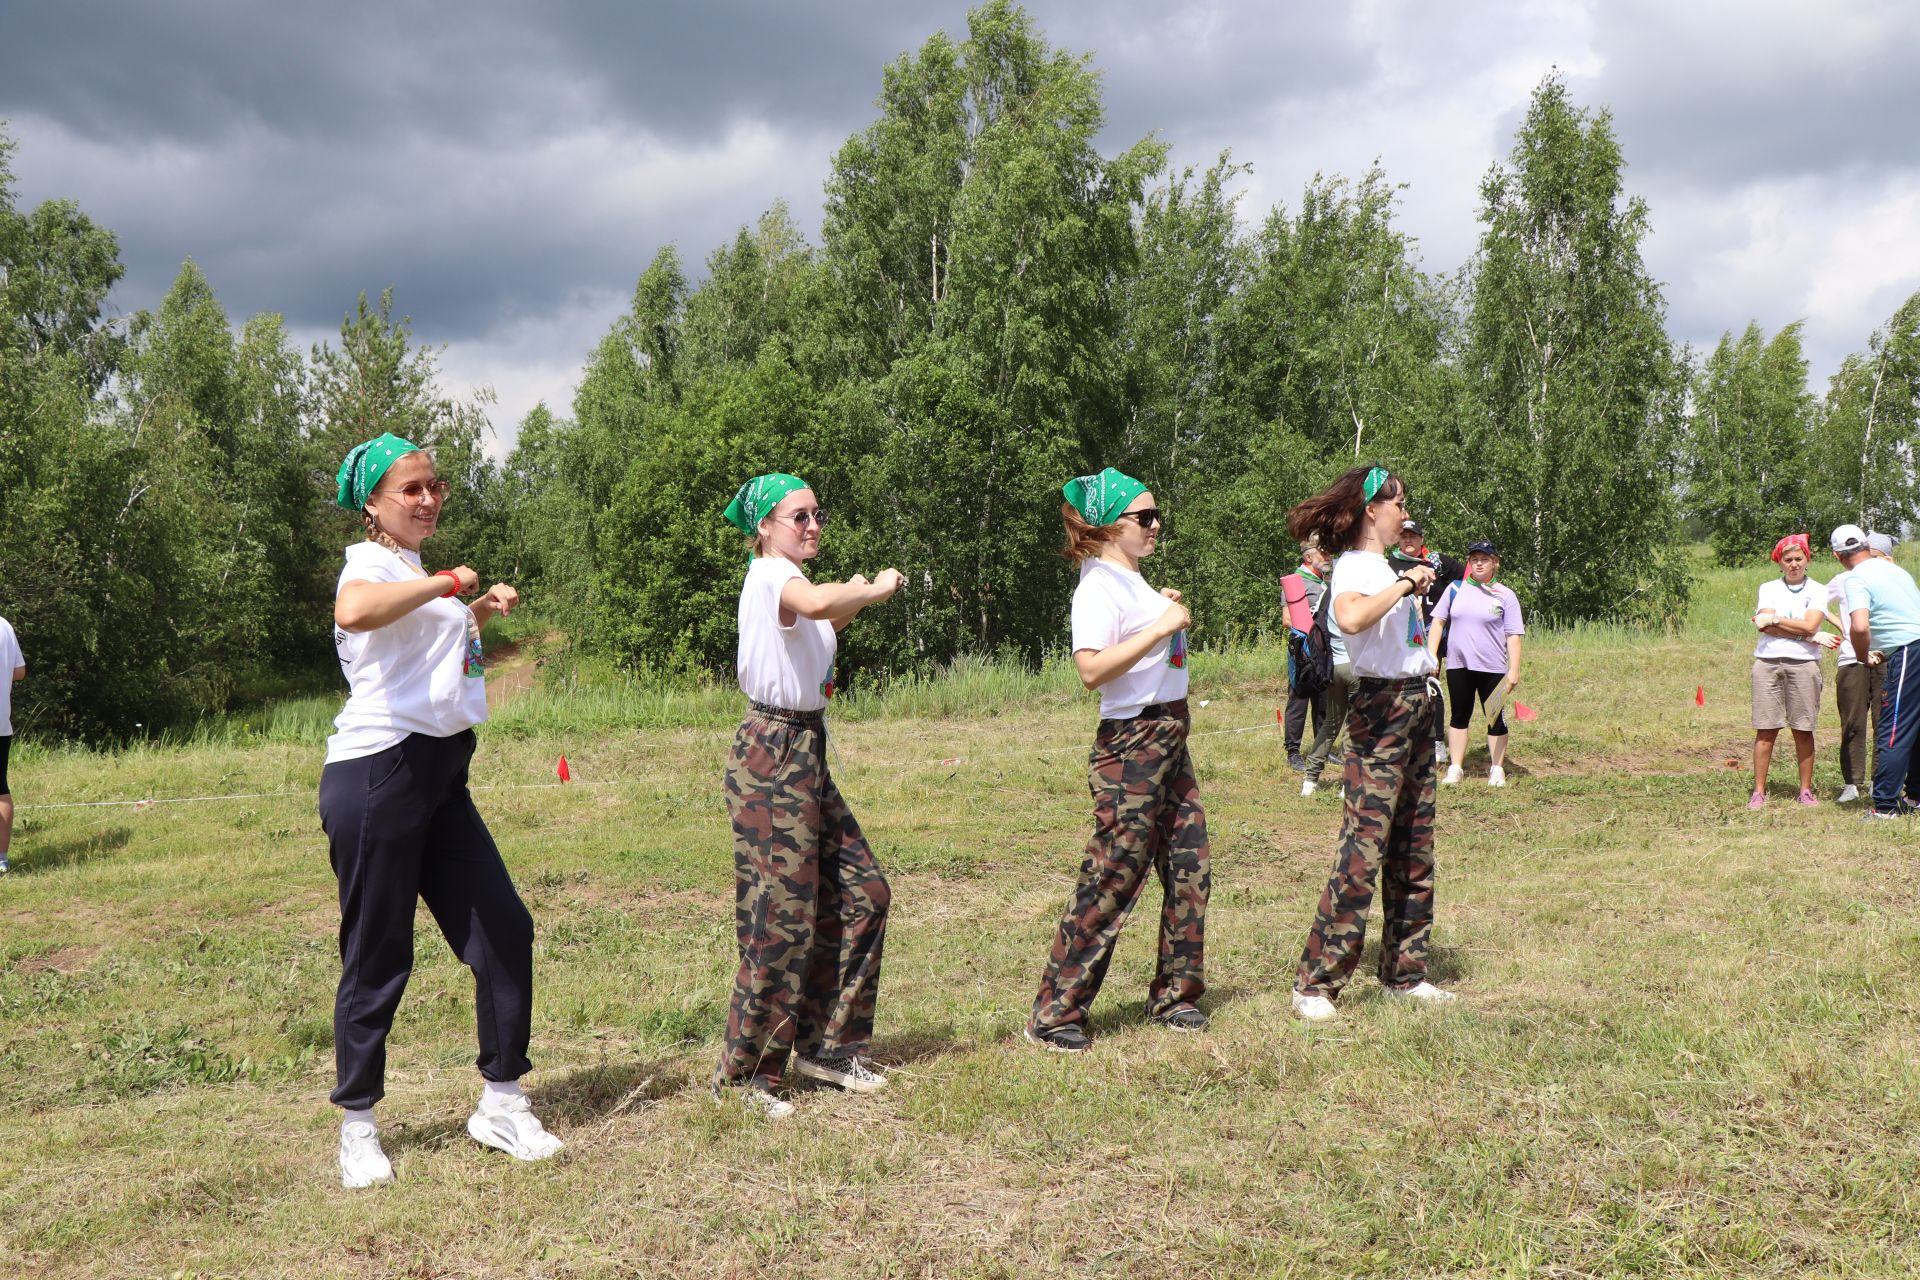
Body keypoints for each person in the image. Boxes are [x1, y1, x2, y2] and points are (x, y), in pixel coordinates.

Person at [321, 432, 562, 1189]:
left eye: (435, 487)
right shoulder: (371, 566)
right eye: (411, 490)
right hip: (376, 778)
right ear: (373, 503)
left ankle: (501, 1100)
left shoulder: (416, 571)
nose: (427, 500)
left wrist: (477, 610)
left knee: (503, 927)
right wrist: (448, 585)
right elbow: (355, 611)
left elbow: (428, 653)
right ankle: (358, 1127)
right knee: (378, 953)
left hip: (441, 776)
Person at [714, 473, 902, 1119]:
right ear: (765, 526)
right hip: (772, 751)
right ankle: (744, 1077)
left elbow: (824, 616)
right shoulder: (771, 575)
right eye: (800, 516)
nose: (813, 525)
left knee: (865, 892)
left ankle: (825, 1047)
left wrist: (859, 598)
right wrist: (869, 587)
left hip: (805, 750)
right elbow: (820, 602)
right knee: (782, 918)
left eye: (818, 514)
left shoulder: (791, 586)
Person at [1027, 467, 1210, 1053]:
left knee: (1190, 865)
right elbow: (1091, 670)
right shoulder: (1097, 586)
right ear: (1110, 526)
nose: (1157, 526)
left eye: (1157, 516)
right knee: (1114, 875)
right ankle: (1055, 1014)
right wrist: (1161, 626)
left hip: (1169, 733)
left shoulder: (1131, 580)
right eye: (1145, 518)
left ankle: (1175, 997)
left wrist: (1161, 610)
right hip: (1131, 744)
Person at [1286, 465, 1455, 1023]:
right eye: (1396, 504)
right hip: (1379, 710)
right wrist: (1407, 583)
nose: (1403, 514)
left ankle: (1405, 975)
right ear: (1370, 511)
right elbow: (1352, 618)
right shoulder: (1357, 567)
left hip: (1415, 701)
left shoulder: (1382, 563)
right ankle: (1316, 984)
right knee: (1363, 851)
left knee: (1414, 848)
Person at [1749, 533, 1841, 809]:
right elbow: (1764, 627)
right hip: (1767, 663)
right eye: (1787, 559)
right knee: (1766, 728)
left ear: (1807, 559)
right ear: (1779, 562)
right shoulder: (1768, 588)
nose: (1793, 564)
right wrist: (1804, 633)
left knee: (1803, 728)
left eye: (1798, 558)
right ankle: (1759, 791)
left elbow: (1809, 624)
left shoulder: (1818, 590)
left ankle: (1805, 790)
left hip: (1804, 665)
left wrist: (1777, 618)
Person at [1836, 524, 1920, 818]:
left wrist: (1862, 656)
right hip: (1910, 646)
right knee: (1916, 725)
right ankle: (1915, 798)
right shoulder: (1897, 571)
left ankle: (1884, 806)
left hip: (1911, 651)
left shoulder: (1856, 578)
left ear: (1838, 556)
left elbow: (1859, 626)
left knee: (1893, 728)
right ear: (1866, 546)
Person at [1428, 541, 1525, 787]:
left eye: (1484, 559)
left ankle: (1496, 768)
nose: (1479, 563)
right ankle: (1456, 767)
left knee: (1495, 718)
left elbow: (1513, 634)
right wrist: (1431, 656)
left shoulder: (1506, 595)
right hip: (1459, 665)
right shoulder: (1455, 589)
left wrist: (1514, 669)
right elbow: (1438, 622)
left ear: (1495, 562)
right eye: (1474, 559)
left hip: (1493, 669)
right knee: (1459, 716)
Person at [1388, 519, 1463, 765]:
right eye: (1404, 536)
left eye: (1413, 536)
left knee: (1432, 683)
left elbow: (1468, 579)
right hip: (1400, 632)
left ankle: (1437, 740)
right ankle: (1404, 737)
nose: (1408, 540)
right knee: (1403, 684)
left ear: (1421, 539)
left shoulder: (1437, 561)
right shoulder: (1390, 564)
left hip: (1434, 630)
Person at [1827, 526, 1882, 803]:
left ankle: (1879, 781)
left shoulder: (1882, 577)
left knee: (1884, 722)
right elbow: (1817, 603)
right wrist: (1837, 624)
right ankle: (1852, 783)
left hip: (1884, 656)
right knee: (1852, 722)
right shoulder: (1841, 580)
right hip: (1852, 658)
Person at [1298, 590, 1355, 799]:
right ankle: (1348, 782)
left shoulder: (1328, 594)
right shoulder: (1357, 592)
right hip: (1356, 667)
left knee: (1331, 723)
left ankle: (1310, 780)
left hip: (1333, 667)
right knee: (1354, 724)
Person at [1283, 541, 1330, 771]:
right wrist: (1312, 630)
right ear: (1309, 557)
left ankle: (1322, 750)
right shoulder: (1296, 581)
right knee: (1299, 700)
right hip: (1303, 650)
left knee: (1323, 700)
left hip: (1323, 649)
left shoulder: (1325, 581)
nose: (1328, 556)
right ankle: (1293, 752)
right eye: (1324, 552)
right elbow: (1287, 619)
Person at [0, 614, 21, 875]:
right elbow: (19, 671)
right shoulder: (4, 625)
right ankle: (1, 858)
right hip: (1, 722)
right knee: (0, 788)